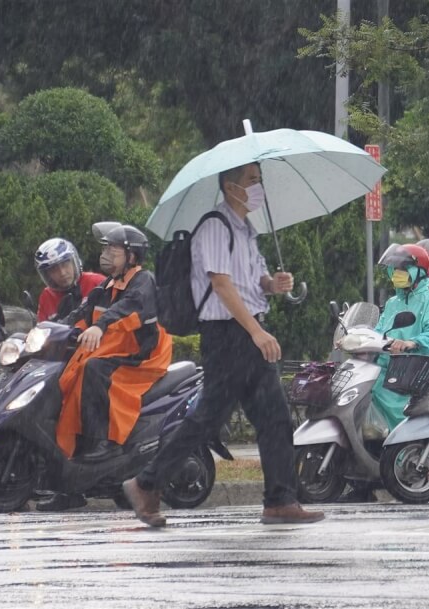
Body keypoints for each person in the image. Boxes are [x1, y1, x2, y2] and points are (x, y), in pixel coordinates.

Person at [121, 162, 324, 527]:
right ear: (231, 189)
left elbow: (248, 281)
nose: (258, 187)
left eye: (259, 180)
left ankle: (280, 499)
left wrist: (271, 284)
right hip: (228, 335)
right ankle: (145, 482)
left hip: (244, 332)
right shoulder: (215, 226)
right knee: (208, 417)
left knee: (273, 416)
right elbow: (222, 284)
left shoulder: (246, 230)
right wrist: (256, 333)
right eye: (252, 180)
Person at [339, 243, 429, 503]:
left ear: (420, 271)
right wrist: (355, 339)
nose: (396, 273)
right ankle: (361, 478)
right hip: (387, 368)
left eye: (403, 268)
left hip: (413, 372)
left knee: (389, 406)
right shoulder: (392, 303)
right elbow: (378, 332)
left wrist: (414, 342)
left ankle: (406, 466)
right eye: (392, 269)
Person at [54, 223, 172, 463]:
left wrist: (100, 325)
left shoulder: (142, 281)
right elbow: (81, 312)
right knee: (69, 372)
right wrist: (49, 329)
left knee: (94, 369)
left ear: (131, 256)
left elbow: (129, 307)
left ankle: (103, 441)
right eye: (105, 249)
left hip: (142, 356)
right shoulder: (107, 284)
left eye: (113, 250)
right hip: (117, 349)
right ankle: (71, 453)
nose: (105, 256)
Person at [34, 237, 106, 322]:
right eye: (54, 269)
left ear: (74, 262)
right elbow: (42, 328)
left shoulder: (97, 282)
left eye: (65, 264)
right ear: (48, 274)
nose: (62, 273)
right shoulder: (47, 296)